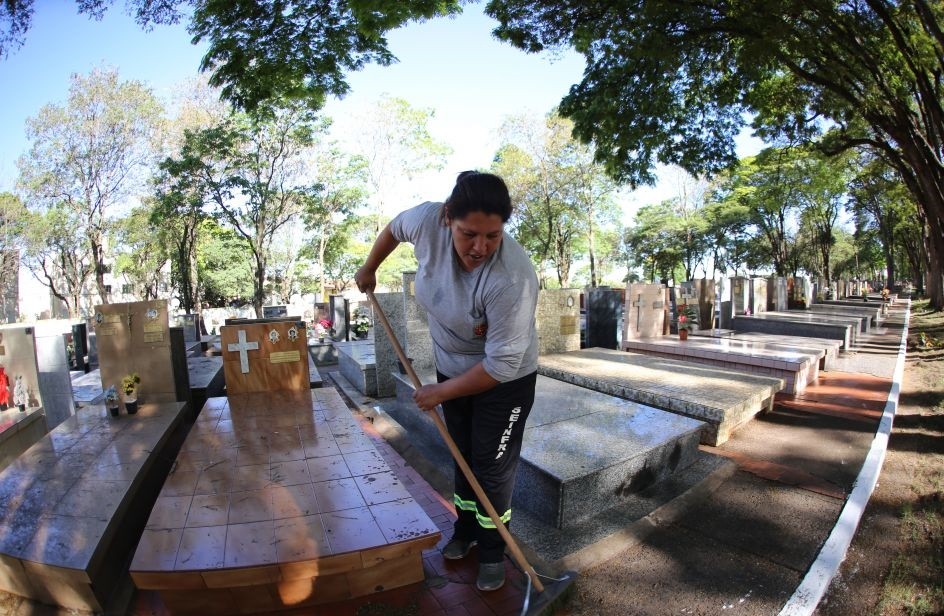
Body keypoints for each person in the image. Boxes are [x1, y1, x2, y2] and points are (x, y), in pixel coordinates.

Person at [355, 171, 539, 592]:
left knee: (491, 466)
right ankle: (466, 532)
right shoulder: (425, 221)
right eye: (469, 234)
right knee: (460, 454)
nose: (481, 247)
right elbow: (392, 229)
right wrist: (370, 266)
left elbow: (500, 365)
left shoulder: (512, 277)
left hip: (504, 379)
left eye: (493, 236)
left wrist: (440, 392)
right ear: (446, 219)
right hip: (452, 367)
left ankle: (493, 552)